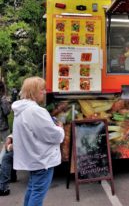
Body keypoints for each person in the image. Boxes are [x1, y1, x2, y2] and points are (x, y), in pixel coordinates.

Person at [12, 77, 65, 206]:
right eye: (42, 89)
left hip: (33, 158)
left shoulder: (21, 109)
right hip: (42, 160)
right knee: (37, 193)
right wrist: (60, 129)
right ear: (34, 91)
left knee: (32, 189)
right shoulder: (36, 111)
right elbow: (52, 135)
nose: (45, 92)